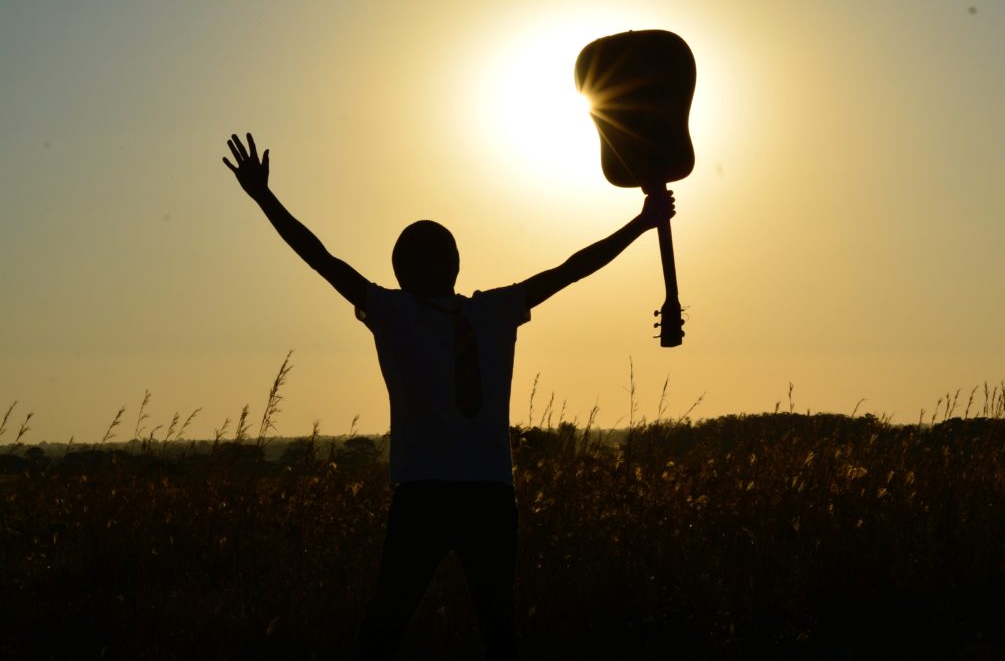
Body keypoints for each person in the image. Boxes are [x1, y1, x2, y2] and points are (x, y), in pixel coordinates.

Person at [222, 131, 676, 659]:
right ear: (454, 265)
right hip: (486, 494)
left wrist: (264, 198)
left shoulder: (394, 314)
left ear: (401, 272)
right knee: (496, 628)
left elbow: (320, 258)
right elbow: (571, 269)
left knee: (387, 626)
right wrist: (640, 224)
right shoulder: (492, 312)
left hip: (426, 495)